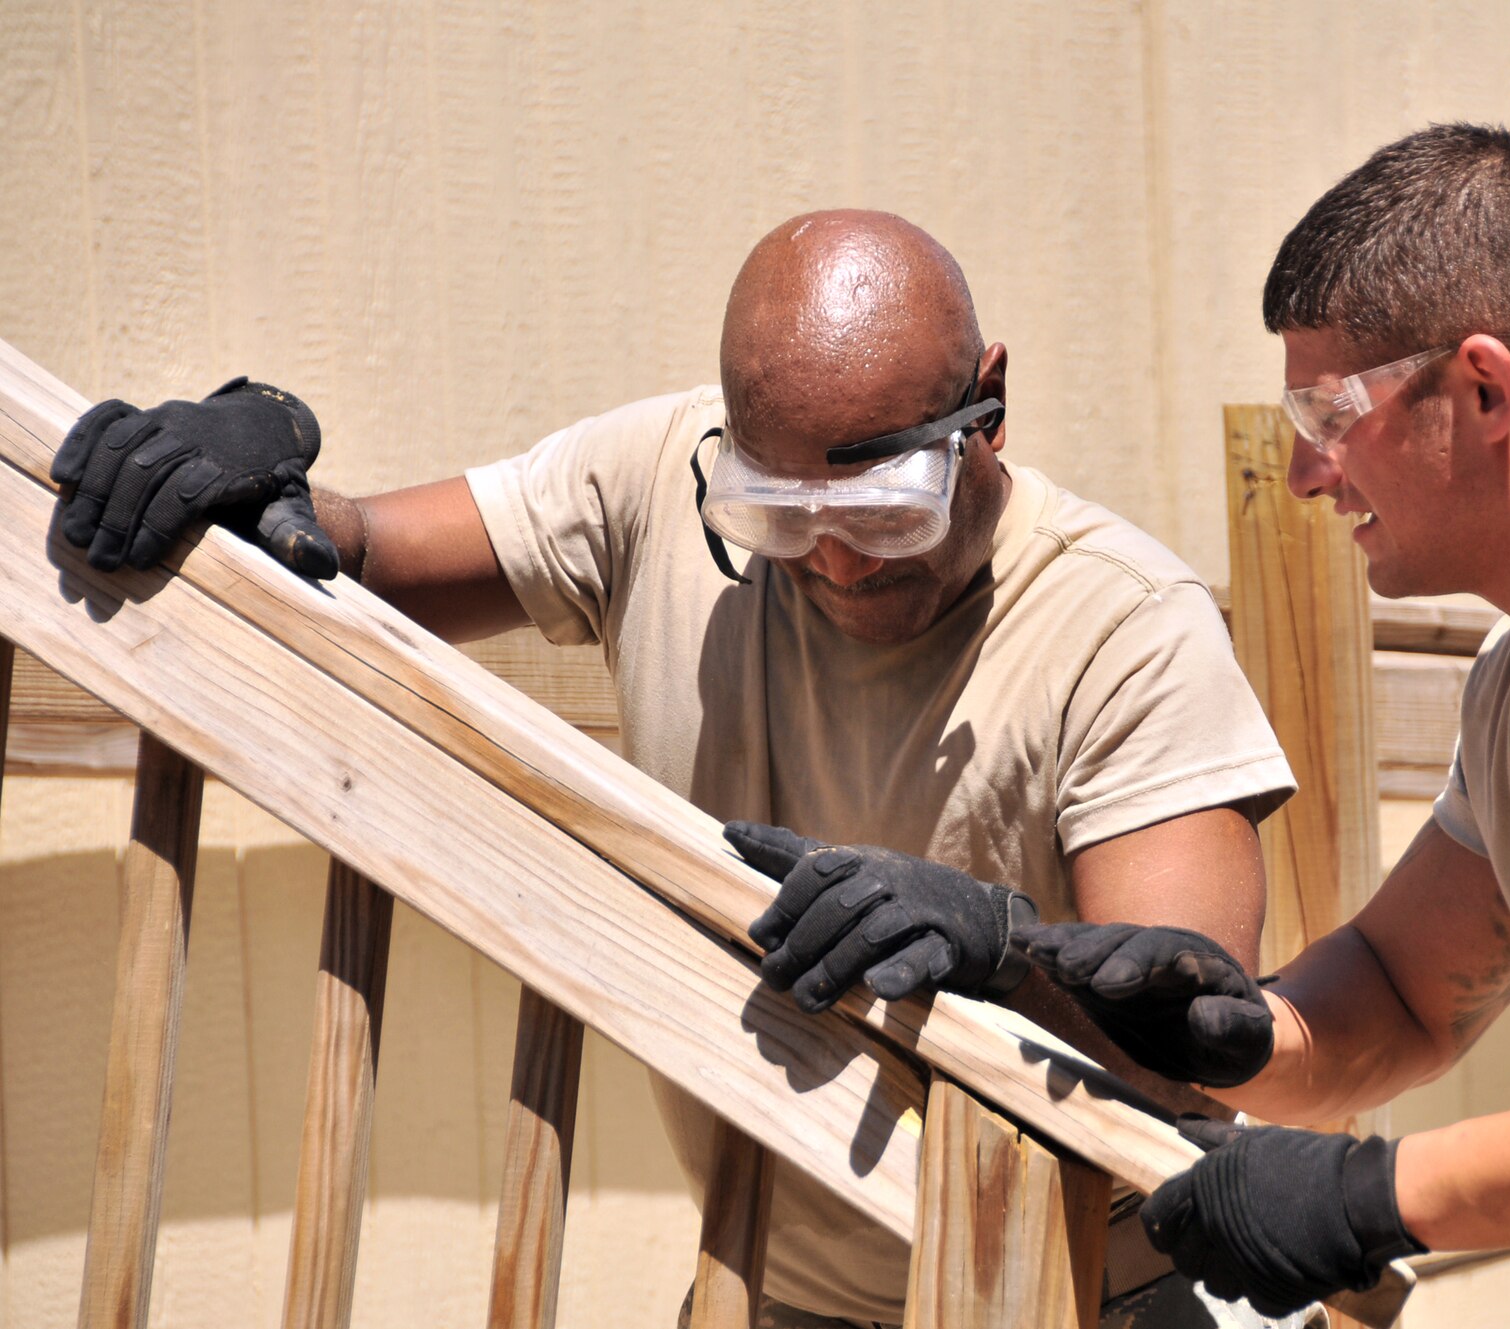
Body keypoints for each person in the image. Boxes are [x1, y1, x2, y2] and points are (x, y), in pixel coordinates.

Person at [747, 128, 1510, 1329]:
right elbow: (1402, 998)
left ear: (1481, 386)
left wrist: (1371, 1198)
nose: (1303, 476)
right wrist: (1200, 1029)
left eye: (1328, 418)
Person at [50, 211, 1302, 1328]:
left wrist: (1000, 949)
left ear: (990, 404)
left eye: (883, 514)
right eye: (780, 518)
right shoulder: (661, 481)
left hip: (1084, 1290)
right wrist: (250, 469)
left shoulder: (1124, 626)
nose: (837, 566)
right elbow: (370, 553)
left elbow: (1191, 1037)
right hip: (781, 1284)